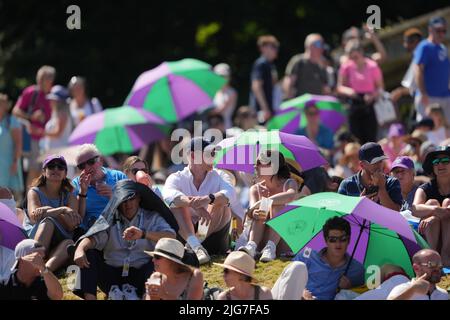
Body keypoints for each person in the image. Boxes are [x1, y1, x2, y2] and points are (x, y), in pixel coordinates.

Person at [72, 180, 178, 300]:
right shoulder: (109, 218)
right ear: (117, 201)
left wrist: (144, 234)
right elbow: (93, 238)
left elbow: (171, 237)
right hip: (112, 276)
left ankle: (147, 297)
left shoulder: (152, 217)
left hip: (142, 276)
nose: (128, 204)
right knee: (89, 254)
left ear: (138, 198)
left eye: (131, 198)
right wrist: (79, 249)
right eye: (123, 200)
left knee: (159, 260)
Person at [163, 138, 241, 264]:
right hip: (188, 234)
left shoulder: (220, 175)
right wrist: (194, 204)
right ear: (193, 156)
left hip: (214, 236)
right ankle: (196, 246)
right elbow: (168, 196)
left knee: (219, 203)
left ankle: (194, 245)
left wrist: (207, 199)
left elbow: (230, 194)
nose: (214, 157)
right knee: (175, 205)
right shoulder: (176, 177)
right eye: (210, 153)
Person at [240, 150, 310, 262]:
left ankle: (270, 247)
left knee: (276, 205)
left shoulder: (289, 183)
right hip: (259, 237)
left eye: (259, 162)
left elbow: (290, 196)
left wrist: (261, 203)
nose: (255, 165)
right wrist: (254, 212)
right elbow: (253, 210)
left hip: (281, 242)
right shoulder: (255, 188)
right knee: (263, 208)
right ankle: (252, 246)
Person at [23, 155, 80, 272]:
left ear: (65, 174)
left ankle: (43, 273)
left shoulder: (71, 196)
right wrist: (62, 210)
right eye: (51, 166)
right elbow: (34, 218)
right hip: (37, 236)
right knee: (47, 223)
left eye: (60, 167)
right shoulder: (34, 192)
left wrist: (46, 211)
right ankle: (33, 266)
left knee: (69, 244)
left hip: (60, 241)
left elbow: (71, 225)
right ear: (44, 172)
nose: (56, 169)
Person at [292, 216, 365, 300]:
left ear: (349, 240)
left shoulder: (357, 270)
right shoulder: (307, 256)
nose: (338, 244)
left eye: (343, 239)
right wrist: (301, 291)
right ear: (326, 240)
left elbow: (361, 294)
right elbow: (289, 278)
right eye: (333, 239)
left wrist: (349, 288)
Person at [12, 65, 55, 189]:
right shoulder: (31, 92)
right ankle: (29, 203)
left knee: (46, 173)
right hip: (34, 139)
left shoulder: (54, 96)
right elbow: (15, 111)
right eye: (40, 79)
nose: (41, 82)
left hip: (50, 140)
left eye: (45, 79)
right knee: (34, 171)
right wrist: (31, 117)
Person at [72, 144, 128, 233]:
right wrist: (83, 192)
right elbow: (78, 219)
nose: (87, 168)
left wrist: (113, 196)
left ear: (100, 160)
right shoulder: (76, 184)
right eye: (81, 166)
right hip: (90, 230)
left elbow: (129, 210)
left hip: (117, 227)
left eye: (91, 162)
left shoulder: (118, 177)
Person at [337, 40, 384, 144]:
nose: (354, 60)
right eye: (351, 58)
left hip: (369, 104)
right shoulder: (346, 67)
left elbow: (380, 88)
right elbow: (340, 87)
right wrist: (350, 92)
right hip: (354, 103)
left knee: (370, 138)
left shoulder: (372, 66)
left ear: (361, 53)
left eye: (356, 57)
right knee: (355, 140)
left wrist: (372, 96)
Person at [412, 145, 450, 266]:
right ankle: (433, 256)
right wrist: (435, 211)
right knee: (431, 203)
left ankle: (445, 253)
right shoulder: (425, 188)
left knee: (447, 202)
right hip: (431, 237)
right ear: (432, 167)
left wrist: (434, 216)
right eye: (436, 162)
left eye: (445, 161)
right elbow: (414, 208)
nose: (440, 165)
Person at [338, 142, 402, 211]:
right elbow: (340, 215)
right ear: (362, 165)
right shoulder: (346, 185)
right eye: (374, 162)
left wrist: (381, 189)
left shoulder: (392, 182)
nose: (379, 166)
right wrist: (359, 205)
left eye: (380, 161)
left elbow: (396, 213)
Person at [414, 16, 450, 122]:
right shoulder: (424, 47)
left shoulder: (443, 48)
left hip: (444, 96)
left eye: (444, 31)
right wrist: (423, 93)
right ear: (430, 29)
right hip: (429, 97)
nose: (441, 34)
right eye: (438, 31)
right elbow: (418, 70)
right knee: (427, 128)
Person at [283, 33, 331, 99]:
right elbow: (289, 81)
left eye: (322, 45)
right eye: (319, 44)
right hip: (300, 103)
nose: (322, 48)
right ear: (310, 46)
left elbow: (325, 87)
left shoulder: (322, 65)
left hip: (317, 104)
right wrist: (289, 99)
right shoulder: (298, 61)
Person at [249, 35, 279, 124]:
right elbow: (256, 86)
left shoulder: (270, 65)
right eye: (273, 46)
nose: (276, 50)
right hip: (261, 111)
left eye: (276, 47)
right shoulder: (261, 64)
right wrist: (265, 108)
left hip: (267, 110)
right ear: (263, 48)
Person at [390, 28, 423, 106]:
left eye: (406, 42)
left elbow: (412, 87)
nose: (404, 45)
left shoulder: (418, 59)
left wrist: (399, 92)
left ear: (414, 42)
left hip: (426, 100)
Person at [0, 94, 23, 201]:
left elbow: (18, 144)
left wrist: (15, 162)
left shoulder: (11, 121)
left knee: (9, 196)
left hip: (9, 164)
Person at [211, 63, 237, 130]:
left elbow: (220, 111)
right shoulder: (214, 91)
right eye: (220, 76)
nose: (222, 78)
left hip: (225, 127)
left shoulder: (232, 92)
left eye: (224, 76)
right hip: (212, 126)